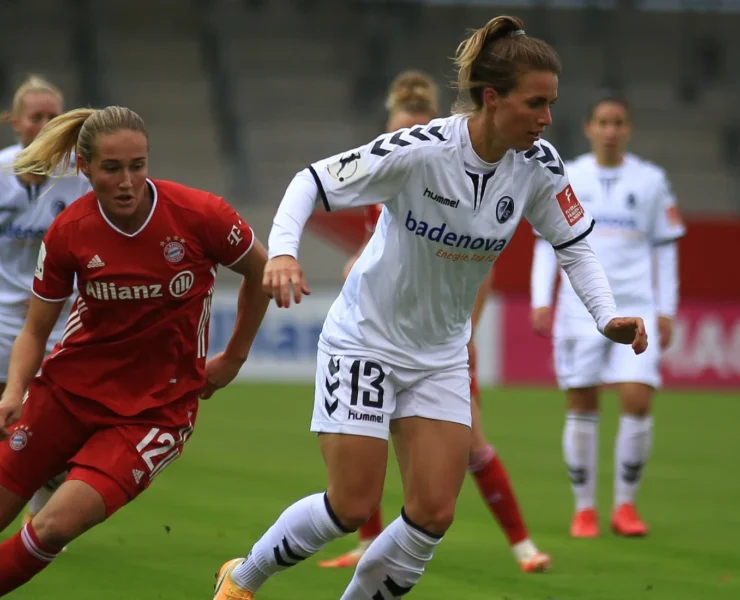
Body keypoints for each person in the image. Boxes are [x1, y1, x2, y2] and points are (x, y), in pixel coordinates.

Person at [215, 15, 647, 600]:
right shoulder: (421, 149)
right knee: (351, 505)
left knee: (432, 515)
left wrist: (606, 316)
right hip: (365, 339)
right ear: (492, 99)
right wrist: (284, 254)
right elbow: (310, 182)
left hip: (440, 354)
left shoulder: (539, 165)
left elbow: (573, 244)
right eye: (535, 103)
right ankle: (242, 580)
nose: (547, 118)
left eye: (551, 103)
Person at [0, 105, 269, 596]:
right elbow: (36, 330)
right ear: (85, 169)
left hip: (153, 414)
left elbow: (260, 271)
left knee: (55, 525)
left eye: (137, 166)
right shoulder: (69, 231)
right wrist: (14, 389)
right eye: (112, 168)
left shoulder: (199, 215)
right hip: (65, 395)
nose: (127, 181)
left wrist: (234, 357)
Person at [321, 70, 550, 574]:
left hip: (441, 343)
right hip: (385, 336)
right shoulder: (383, 185)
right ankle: (368, 542)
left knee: (471, 446)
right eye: (398, 130)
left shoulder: (453, 177)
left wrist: (465, 334)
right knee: (366, 435)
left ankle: (522, 544)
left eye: (418, 127)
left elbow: (475, 270)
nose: (406, 139)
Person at [530, 94, 684, 539]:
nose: (611, 130)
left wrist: (667, 309)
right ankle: (584, 510)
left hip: (636, 306)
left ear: (628, 129)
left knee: (637, 400)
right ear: (588, 127)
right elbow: (547, 242)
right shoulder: (569, 176)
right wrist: (542, 298)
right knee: (581, 403)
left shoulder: (652, 180)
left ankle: (625, 506)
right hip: (579, 309)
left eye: (618, 122)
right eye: (603, 122)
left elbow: (665, 249)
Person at [0, 75, 93, 535]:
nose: (44, 124)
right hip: (1, 320)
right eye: (35, 116)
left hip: (59, 321)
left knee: (51, 428)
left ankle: (40, 511)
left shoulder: (82, 175)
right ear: (15, 122)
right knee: (10, 418)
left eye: (54, 117)